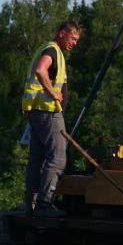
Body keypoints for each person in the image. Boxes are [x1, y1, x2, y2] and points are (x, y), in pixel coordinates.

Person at [20, 21, 81, 217]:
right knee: (58, 157)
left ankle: (30, 205)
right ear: (62, 33)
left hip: (36, 112)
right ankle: (45, 204)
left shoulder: (47, 48)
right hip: (48, 112)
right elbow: (40, 70)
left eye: (77, 40)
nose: (74, 43)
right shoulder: (53, 50)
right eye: (73, 38)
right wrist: (53, 92)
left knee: (36, 159)